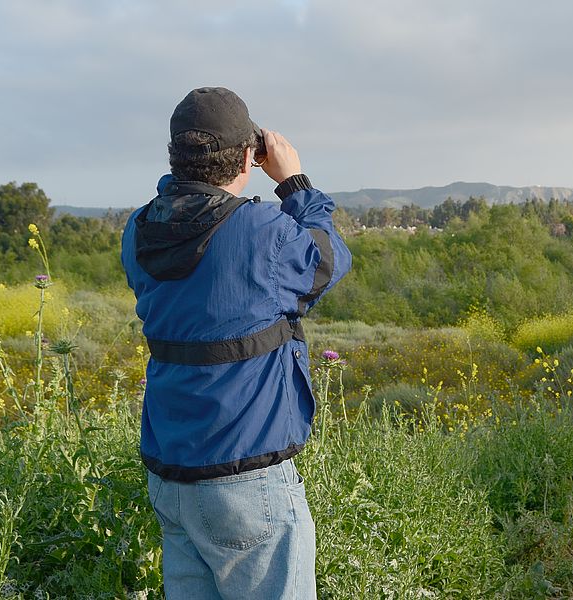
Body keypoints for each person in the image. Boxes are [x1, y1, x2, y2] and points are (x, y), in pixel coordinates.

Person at [120, 86, 352, 599]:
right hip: (248, 479)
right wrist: (294, 182)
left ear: (176, 155)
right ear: (249, 155)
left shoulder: (138, 231)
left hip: (171, 475)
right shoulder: (259, 229)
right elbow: (328, 260)